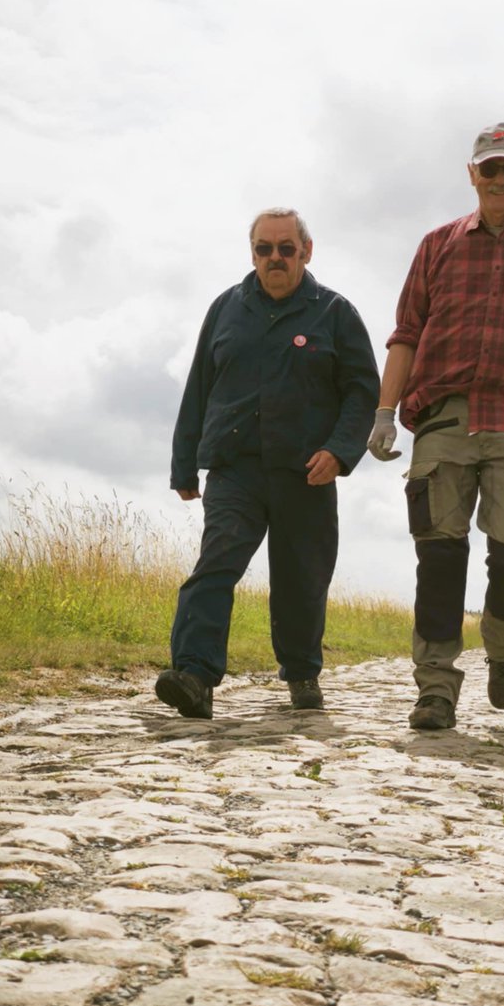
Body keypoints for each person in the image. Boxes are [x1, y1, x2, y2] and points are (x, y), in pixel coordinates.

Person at [368, 122, 504, 730]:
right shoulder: (437, 245)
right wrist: (384, 412)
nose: (499, 179)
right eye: (489, 168)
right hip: (443, 418)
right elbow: (406, 334)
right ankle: (436, 687)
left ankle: (503, 645)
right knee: (439, 559)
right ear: (472, 174)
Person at [156, 207, 380, 719]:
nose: (275, 258)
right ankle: (194, 675)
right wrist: (183, 464)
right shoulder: (226, 308)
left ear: (306, 251)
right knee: (217, 563)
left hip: (308, 471)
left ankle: (301, 671)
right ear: (252, 252)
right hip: (235, 467)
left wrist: (340, 451)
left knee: (303, 579)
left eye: (286, 248)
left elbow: (362, 392)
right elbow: (199, 386)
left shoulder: (335, 313)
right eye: (264, 248)